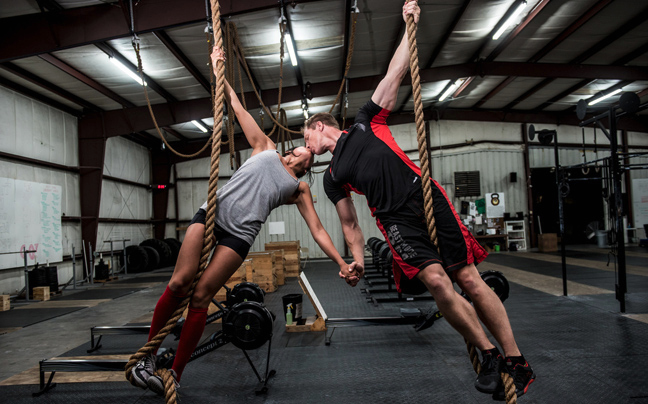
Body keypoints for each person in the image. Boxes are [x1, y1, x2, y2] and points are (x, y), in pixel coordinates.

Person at [302, 1, 534, 400]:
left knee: (468, 279)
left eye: (306, 137)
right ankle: (489, 355)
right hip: (395, 221)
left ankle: (517, 362)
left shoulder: (365, 122)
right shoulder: (332, 177)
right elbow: (350, 224)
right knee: (438, 282)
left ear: (319, 126)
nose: (307, 146)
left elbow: (395, 71)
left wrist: (410, 23)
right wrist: (357, 260)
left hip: (425, 198)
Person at [131, 47, 354, 396]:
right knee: (179, 282)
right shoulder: (265, 147)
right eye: (303, 145)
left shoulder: (299, 189)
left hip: (238, 237)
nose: (307, 149)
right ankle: (147, 356)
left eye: (311, 152)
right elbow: (236, 107)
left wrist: (341, 262)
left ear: (310, 166)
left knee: (201, 297)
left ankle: (175, 373)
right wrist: (218, 66)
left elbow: (318, 230)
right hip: (211, 215)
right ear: (293, 149)